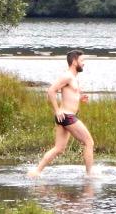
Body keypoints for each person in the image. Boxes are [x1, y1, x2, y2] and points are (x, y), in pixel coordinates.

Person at [28, 50, 97, 178]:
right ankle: (90, 175)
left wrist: (80, 97)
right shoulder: (67, 76)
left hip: (65, 117)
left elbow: (69, 94)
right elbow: (51, 90)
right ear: (74, 61)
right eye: (82, 61)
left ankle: (36, 172)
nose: (84, 64)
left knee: (59, 149)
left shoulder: (73, 78)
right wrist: (57, 110)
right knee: (89, 142)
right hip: (67, 116)